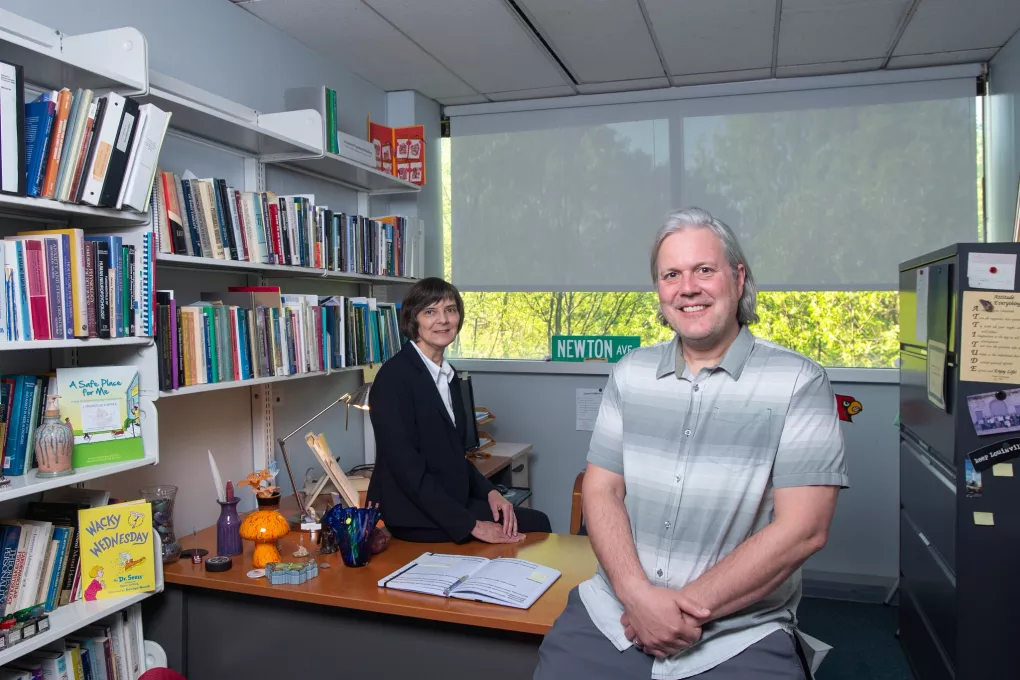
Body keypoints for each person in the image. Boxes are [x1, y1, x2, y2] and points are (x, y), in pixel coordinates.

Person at [535, 208, 848, 680]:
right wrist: (637, 596)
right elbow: (602, 492)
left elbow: (803, 529)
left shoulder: (799, 382)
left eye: (705, 270)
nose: (688, 287)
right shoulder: (629, 373)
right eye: (671, 274)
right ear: (659, 290)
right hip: (613, 613)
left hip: (738, 634)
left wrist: (677, 613)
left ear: (738, 278)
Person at [367, 277, 552, 543]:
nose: (442, 320)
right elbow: (408, 471)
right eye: (430, 312)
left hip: (449, 501)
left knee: (533, 521)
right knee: (535, 526)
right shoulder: (393, 379)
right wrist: (473, 525)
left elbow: (453, 457)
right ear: (413, 320)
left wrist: (490, 492)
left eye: (450, 310)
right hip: (414, 513)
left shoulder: (449, 376)